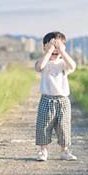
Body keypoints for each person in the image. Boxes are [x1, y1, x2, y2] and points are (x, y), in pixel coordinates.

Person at [34, 31, 77, 161]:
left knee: (63, 126)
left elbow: (73, 66)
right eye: (51, 45)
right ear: (44, 47)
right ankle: (43, 150)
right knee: (44, 126)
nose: (55, 50)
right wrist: (50, 50)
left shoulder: (63, 64)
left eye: (58, 47)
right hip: (47, 99)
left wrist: (62, 51)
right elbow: (39, 66)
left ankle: (65, 151)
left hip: (62, 100)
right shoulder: (44, 62)